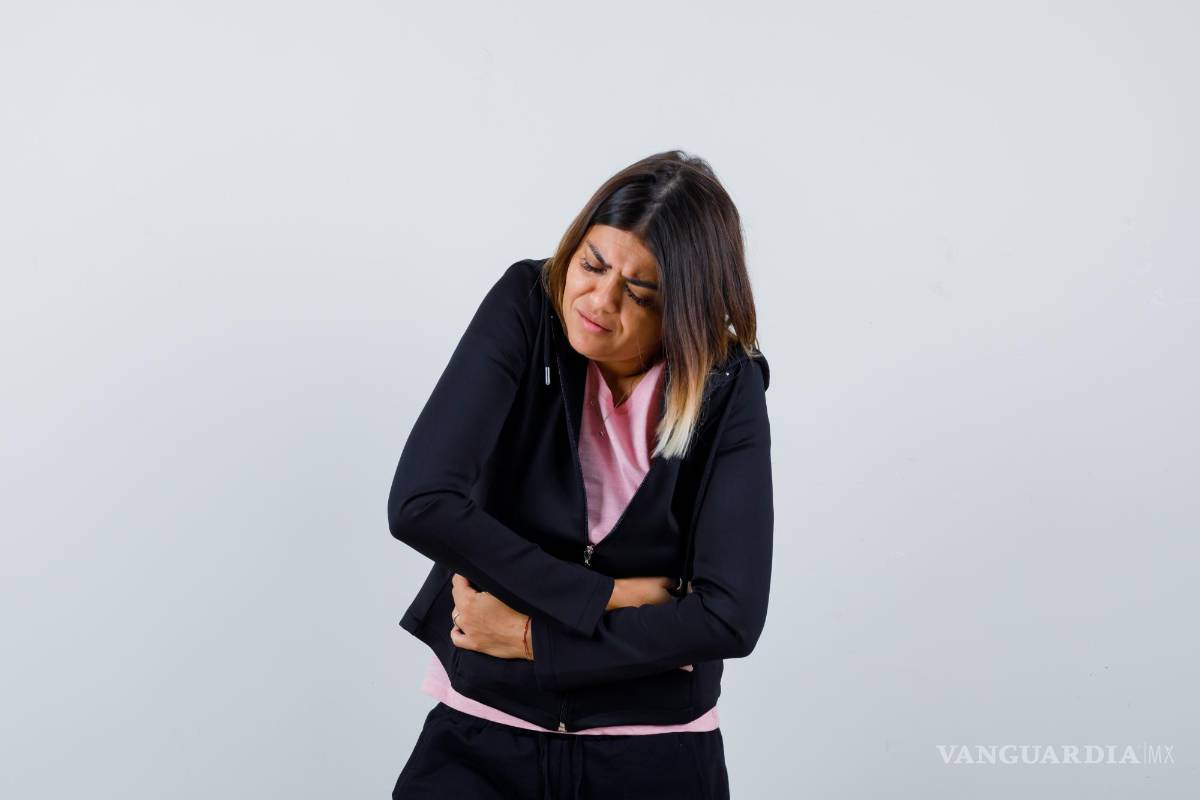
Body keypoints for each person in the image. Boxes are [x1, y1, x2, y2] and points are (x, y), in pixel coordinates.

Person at [386, 150, 773, 798]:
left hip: (656, 757)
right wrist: (609, 596)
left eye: (640, 292)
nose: (598, 299)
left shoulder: (725, 389)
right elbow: (422, 504)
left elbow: (731, 618)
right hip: (480, 739)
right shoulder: (526, 306)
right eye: (592, 264)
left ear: (685, 314)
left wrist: (532, 638)